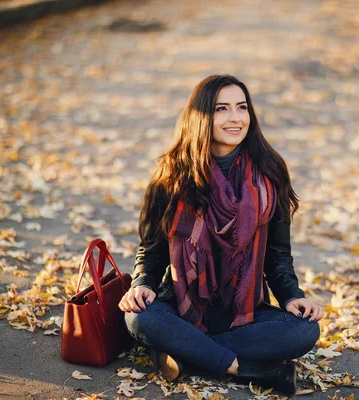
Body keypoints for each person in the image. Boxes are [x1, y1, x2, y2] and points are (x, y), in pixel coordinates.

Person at [119, 74, 323, 396]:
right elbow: (153, 249)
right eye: (222, 109)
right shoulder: (173, 175)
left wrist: (292, 296)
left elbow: (278, 254)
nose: (235, 118)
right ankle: (246, 368)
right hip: (181, 304)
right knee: (139, 319)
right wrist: (141, 284)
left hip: (244, 309)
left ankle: (185, 351)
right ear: (201, 117)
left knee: (304, 331)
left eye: (242, 108)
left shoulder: (270, 173)